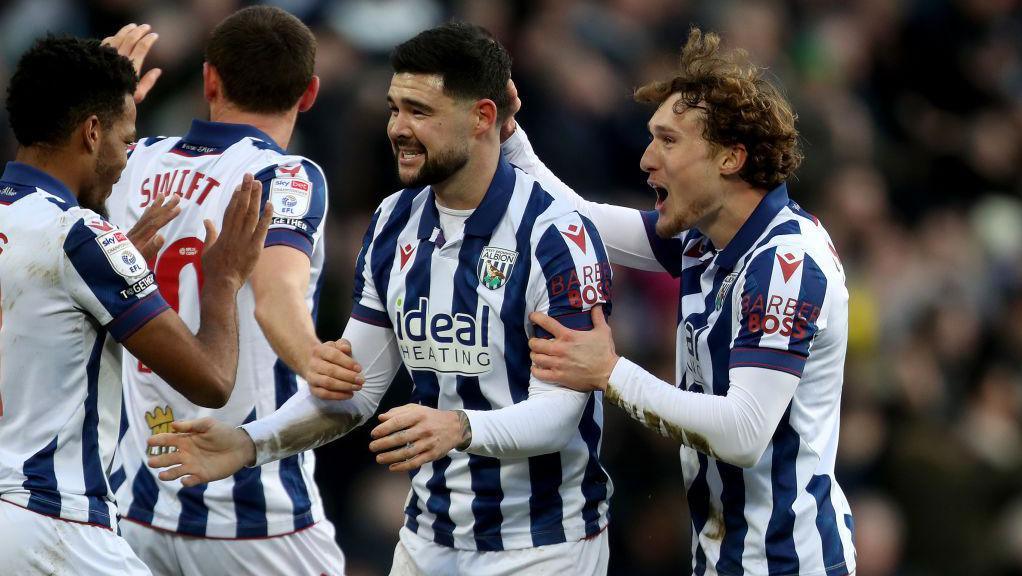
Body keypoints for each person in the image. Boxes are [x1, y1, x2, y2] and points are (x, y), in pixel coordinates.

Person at [147, 22, 615, 575]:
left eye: (420, 111)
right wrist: (249, 443)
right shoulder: (395, 220)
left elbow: (563, 411)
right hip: (426, 537)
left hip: (544, 545)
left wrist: (461, 427)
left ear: (482, 118)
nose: (398, 128)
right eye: (395, 108)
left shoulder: (557, 234)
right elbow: (356, 390)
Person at [505, 28, 858, 575]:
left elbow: (743, 433)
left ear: (730, 158)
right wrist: (508, 137)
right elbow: (574, 216)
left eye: (668, 141)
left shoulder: (783, 267)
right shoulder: (707, 241)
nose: (647, 159)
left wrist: (610, 373)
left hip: (788, 563)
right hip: (724, 556)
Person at [0, 36, 269, 575]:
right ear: (92, 132)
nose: (128, 158)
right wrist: (222, 279)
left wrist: (120, 269)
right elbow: (211, 381)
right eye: (127, 138)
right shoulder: (80, 238)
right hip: (55, 523)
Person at [101, 8, 346, 575]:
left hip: (136, 510)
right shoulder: (285, 177)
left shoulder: (133, 160)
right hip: (259, 518)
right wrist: (318, 363)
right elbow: (276, 296)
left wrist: (99, 104)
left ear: (209, 79)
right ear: (308, 93)